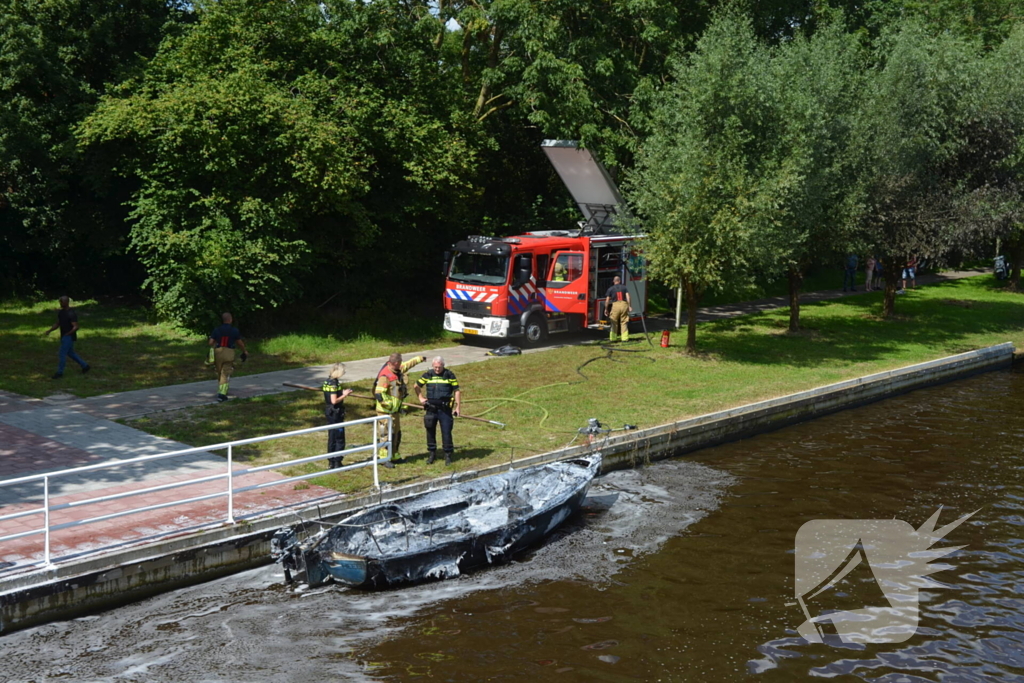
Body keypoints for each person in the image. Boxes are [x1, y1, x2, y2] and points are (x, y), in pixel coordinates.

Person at [374, 352, 426, 467]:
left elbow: (408, 364)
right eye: (400, 363)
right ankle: (383, 458)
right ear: (396, 363)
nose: (402, 365)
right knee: (385, 435)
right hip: (385, 412)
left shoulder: (398, 369)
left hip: (394, 412)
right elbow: (379, 395)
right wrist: (389, 406)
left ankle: (394, 455)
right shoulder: (385, 376)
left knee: (396, 433)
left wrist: (420, 359)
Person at [415, 356, 462, 465]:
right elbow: (416, 386)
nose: (437, 369)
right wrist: (421, 398)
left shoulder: (449, 375)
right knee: (430, 431)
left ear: (443, 366)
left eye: (439, 367)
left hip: (445, 410)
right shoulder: (428, 374)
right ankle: (432, 453)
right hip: (431, 409)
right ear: (432, 366)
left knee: (446, 432)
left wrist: (458, 407)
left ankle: (448, 455)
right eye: (435, 367)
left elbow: (457, 391)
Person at [44, 296, 90, 379]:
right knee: (70, 353)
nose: (60, 304)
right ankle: (85, 366)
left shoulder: (71, 313)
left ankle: (59, 372)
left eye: (62, 302)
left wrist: (68, 333)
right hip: (64, 336)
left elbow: (76, 326)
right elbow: (58, 323)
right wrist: (50, 330)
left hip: (68, 337)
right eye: (60, 302)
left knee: (62, 353)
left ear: (66, 302)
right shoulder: (61, 313)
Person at [208, 312, 247, 402]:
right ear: (230, 319)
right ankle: (222, 394)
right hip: (229, 352)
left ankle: (221, 389)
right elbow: (240, 343)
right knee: (225, 372)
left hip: (218, 352)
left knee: (219, 371)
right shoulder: (234, 330)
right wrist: (244, 351)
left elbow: (210, 343)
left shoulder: (216, 330)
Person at [322, 363, 353, 469]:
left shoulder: (327, 382)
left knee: (332, 437)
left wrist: (341, 392)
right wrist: (344, 395)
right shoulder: (334, 384)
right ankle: (337, 461)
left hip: (329, 412)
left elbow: (332, 395)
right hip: (335, 413)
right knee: (339, 438)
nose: (344, 373)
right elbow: (334, 401)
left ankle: (331, 461)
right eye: (343, 371)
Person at [604, 275, 631, 342]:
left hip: (615, 305)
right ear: (619, 281)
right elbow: (628, 297)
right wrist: (629, 306)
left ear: (614, 281)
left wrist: (606, 309)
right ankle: (624, 338)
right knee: (624, 321)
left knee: (614, 321)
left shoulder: (610, 289)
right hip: (624, 304)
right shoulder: (624, 287)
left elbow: (607, 300)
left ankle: (613, 338)